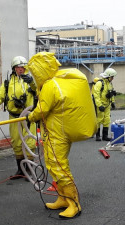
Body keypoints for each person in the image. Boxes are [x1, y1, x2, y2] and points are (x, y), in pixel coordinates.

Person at [26, 52, 97, 219]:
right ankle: (63, 198)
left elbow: (41, 110)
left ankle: (74, 203)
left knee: (59, 167)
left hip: (57, 135)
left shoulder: (51, 85)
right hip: (57, 133)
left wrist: (29, 117)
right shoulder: (60, 81)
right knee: (54, 165)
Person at [0, 56, 37, 179]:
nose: (21, 69)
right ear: (14, 68)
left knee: (29, 143)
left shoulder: (31, 81)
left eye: (23, 67)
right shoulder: (8, 82)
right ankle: (20, 170)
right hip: (14, 117)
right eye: (18, 67)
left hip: (29, 117)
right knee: (16, 143)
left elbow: (39, 90)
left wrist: (32, 83)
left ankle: (29, 171)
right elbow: (0, 96)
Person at [92, 68, 117, 141]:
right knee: (99, 120)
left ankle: (104, 136)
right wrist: (99, 105)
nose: (113, 78)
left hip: (107, 105)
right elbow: (96, 95)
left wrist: (112, 102)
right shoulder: (99, 83)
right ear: (108, 76)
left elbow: (110, 93)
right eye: (112, 77)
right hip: (101, 105)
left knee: (107, 120)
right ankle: (97, 135)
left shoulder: (109, 84)